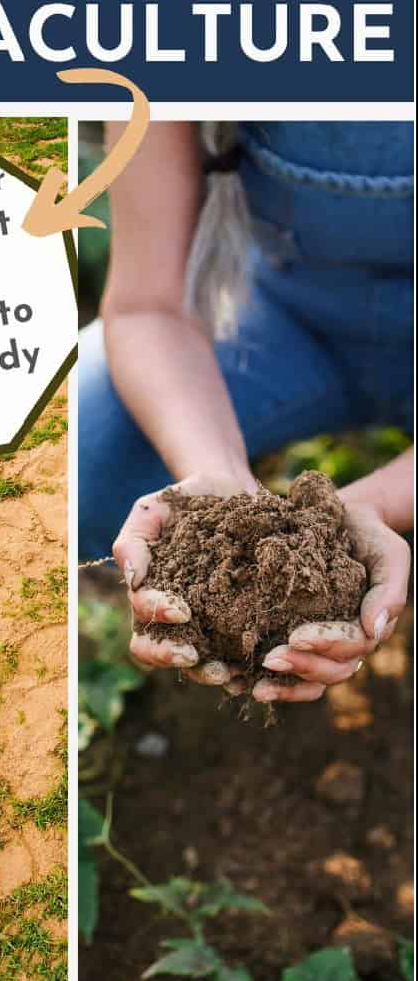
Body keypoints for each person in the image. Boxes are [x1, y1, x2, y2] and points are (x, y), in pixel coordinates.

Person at [78, 121, 413, 703]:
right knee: (73, 451)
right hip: (282, 314)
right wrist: (212, 485)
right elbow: (145, 306)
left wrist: (376, 504)